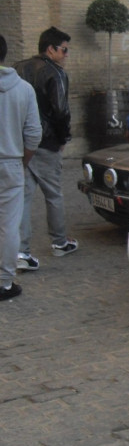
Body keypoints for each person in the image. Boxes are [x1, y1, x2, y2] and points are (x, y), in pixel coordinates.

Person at [13, 26, 78, 271]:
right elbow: (61, 111)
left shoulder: (18, 68)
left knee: (24, 196)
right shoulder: (56, 74)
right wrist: (64, 138)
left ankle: (21, 251)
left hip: (21, 142)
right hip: (46, 141)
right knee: (53, 194)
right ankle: (59, 242)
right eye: (64, 50)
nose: (66, 55)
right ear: (51, 49)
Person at [0, 35, 42, 300]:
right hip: (11, 162)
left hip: (13, 161)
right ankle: (4, 282)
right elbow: (34, 134)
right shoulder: (24, 89)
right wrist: (23, 160)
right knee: (8, 225)